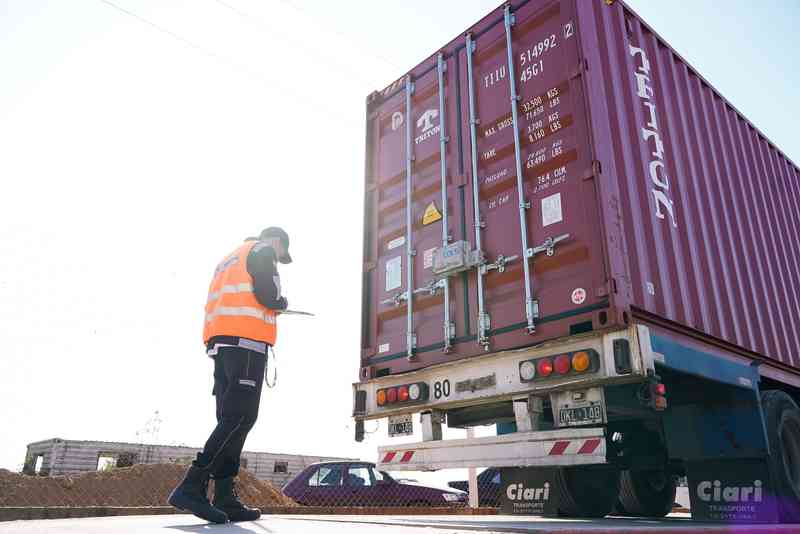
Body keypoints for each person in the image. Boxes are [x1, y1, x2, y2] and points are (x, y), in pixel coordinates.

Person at [168, 227, 291, 523]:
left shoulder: (229, 259)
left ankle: (224, 496)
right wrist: (281, 303)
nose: (278, 258)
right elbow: (269, 295)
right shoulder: (262, 250)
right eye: (281, 253)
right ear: (276, 242)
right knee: (240, 416)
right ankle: (192, 486)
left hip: (222, 345)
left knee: (232, 419)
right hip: (246, 344)